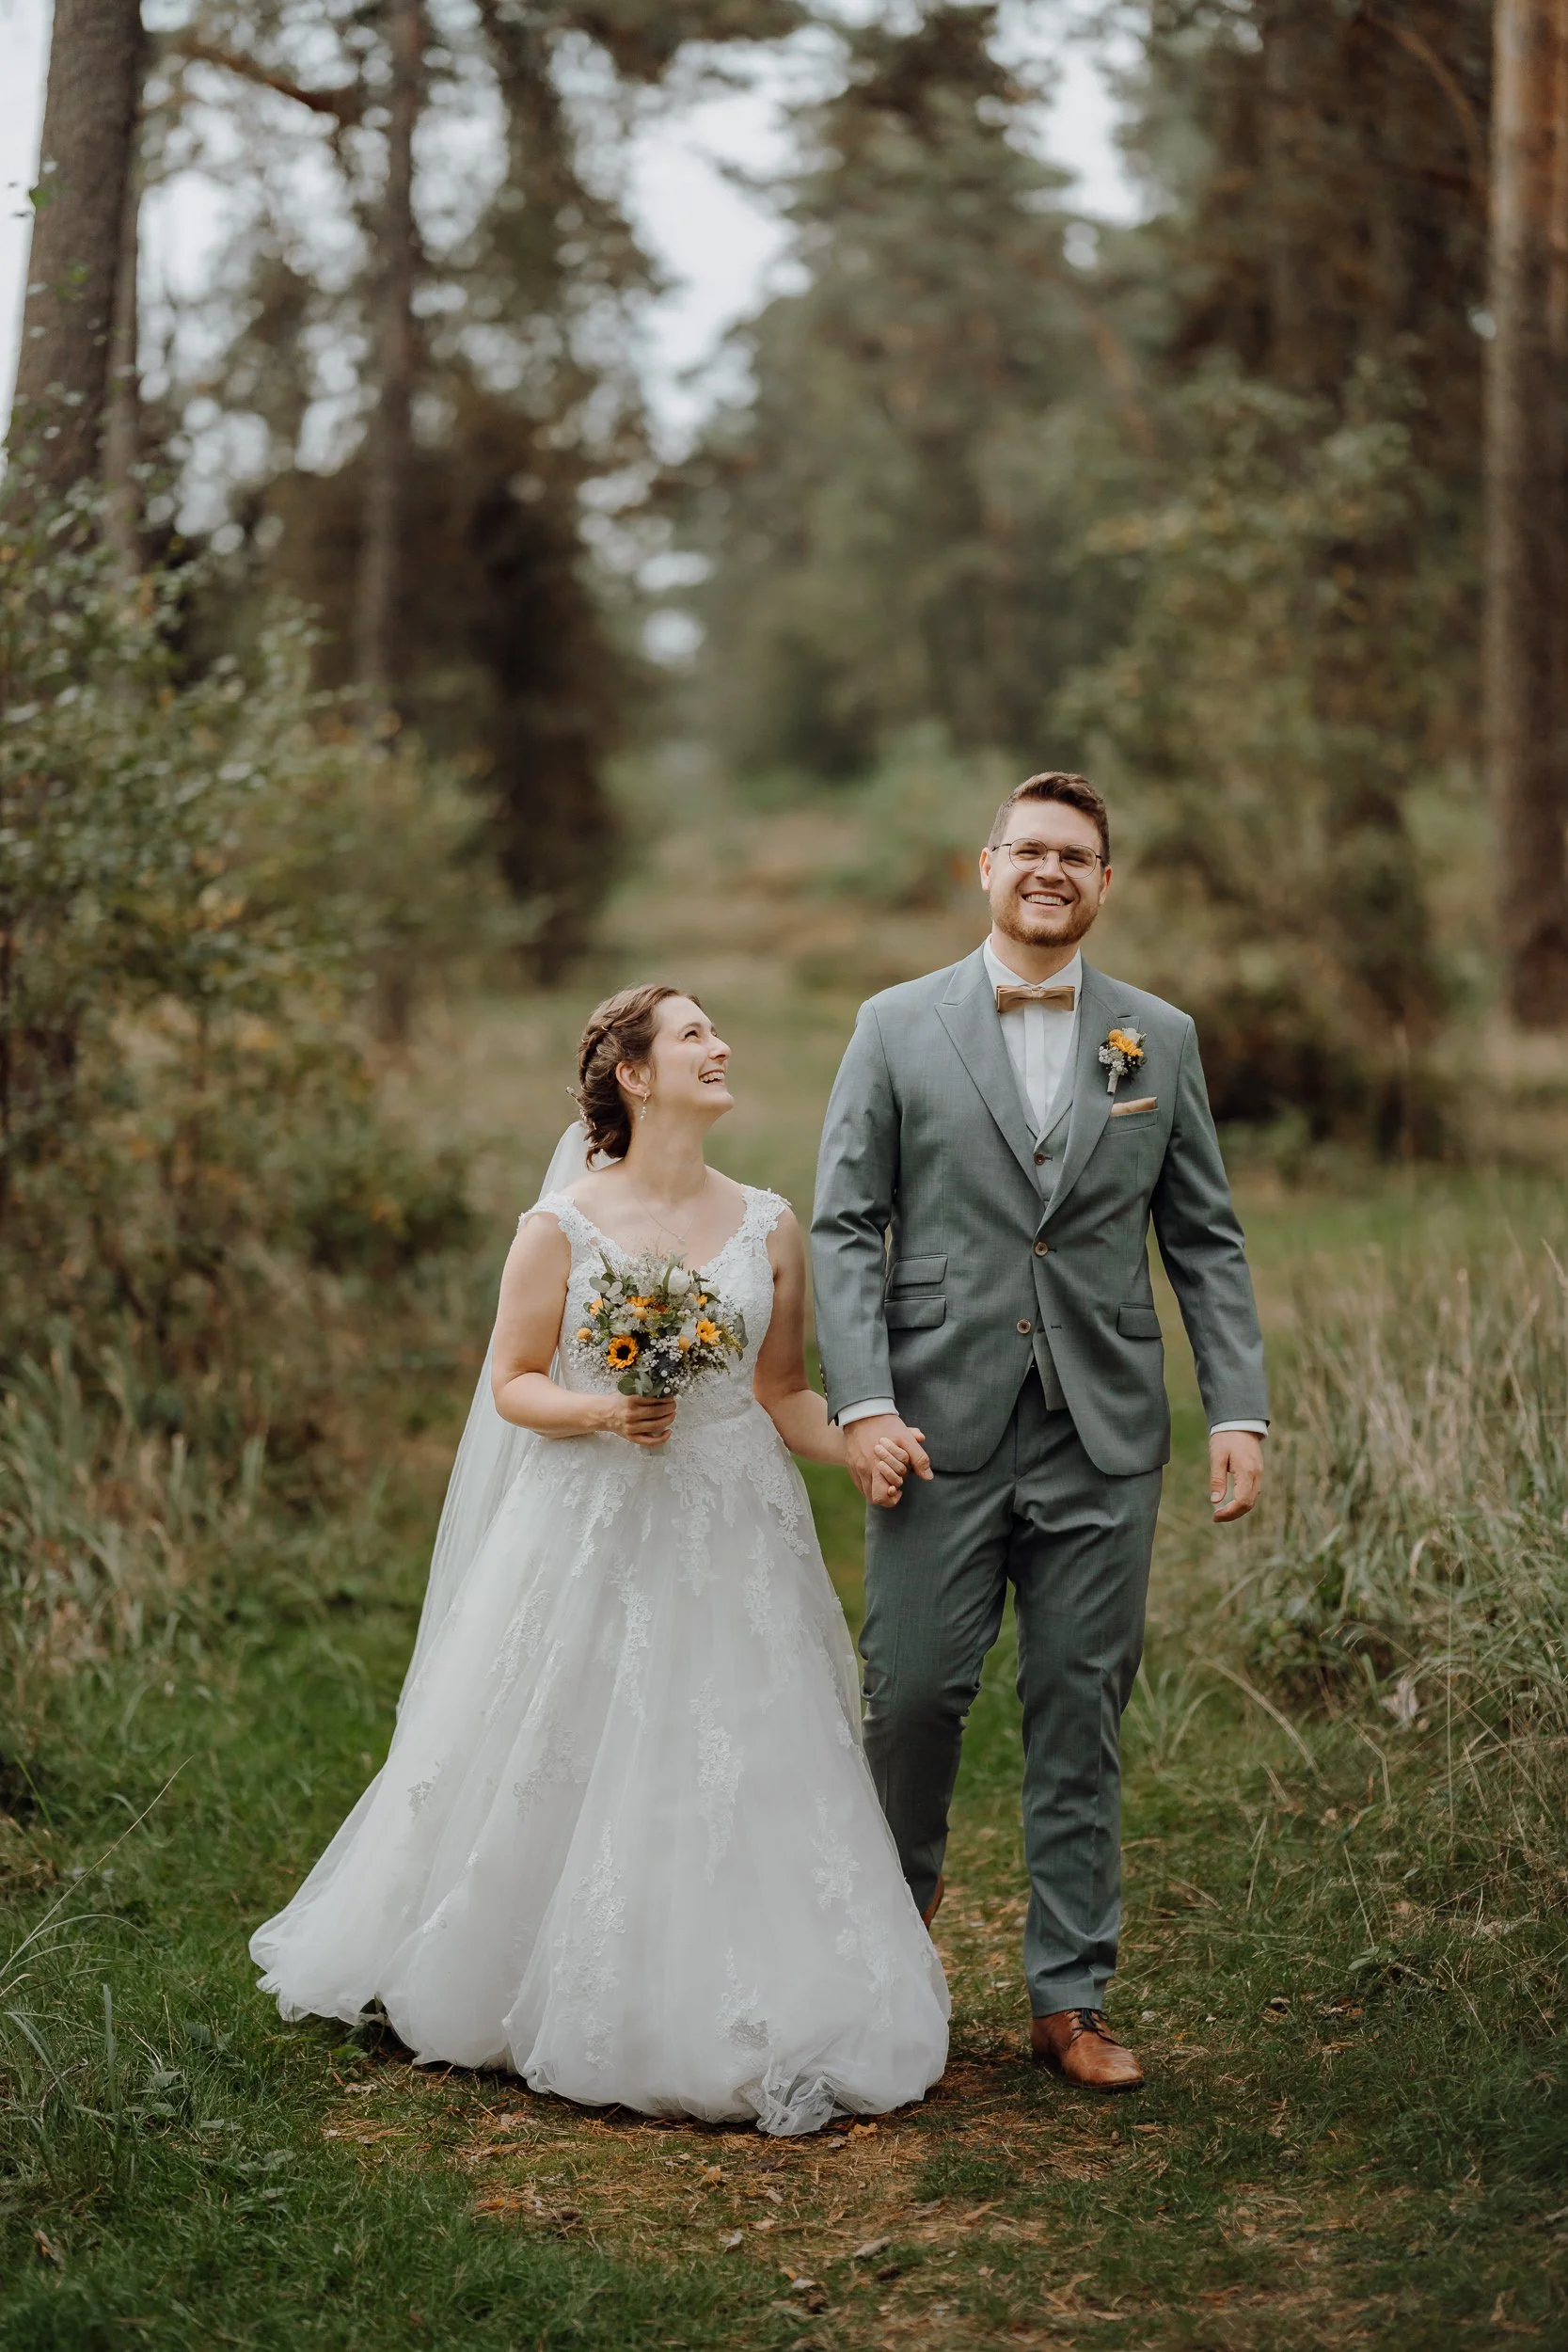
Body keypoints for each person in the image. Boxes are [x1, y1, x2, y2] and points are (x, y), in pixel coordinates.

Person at [251, 983, 948, 2136]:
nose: (720, 1046)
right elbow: (511, 1381)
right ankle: (513, 1962)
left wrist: (857, 1442)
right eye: (692, 1036)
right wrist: (601, 1413)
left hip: (732, 1524)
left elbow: (779, 1392)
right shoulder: (561, 1225)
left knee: (736, 1742)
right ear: (634, 1072)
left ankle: (762, 1981)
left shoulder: (767, 1222)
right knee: (560, 1735)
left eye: (715, 1032)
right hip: (590, 1523)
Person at [812, 771, 1268, 2093]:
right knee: (909, 1697)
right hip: (931, 1427)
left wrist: (1233, 1404)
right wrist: (863, 1403)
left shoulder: (1156, 1040)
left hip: (1102, 1429)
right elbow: (846, 1226)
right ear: (984, 868)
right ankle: (883, 1962)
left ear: (1103, 883)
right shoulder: (892, 1027)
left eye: (1074, 854)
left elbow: (1203, 1236)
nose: (1049, 870)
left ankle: (1068, 1997)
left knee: (1079, 1705)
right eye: (1027, 849)